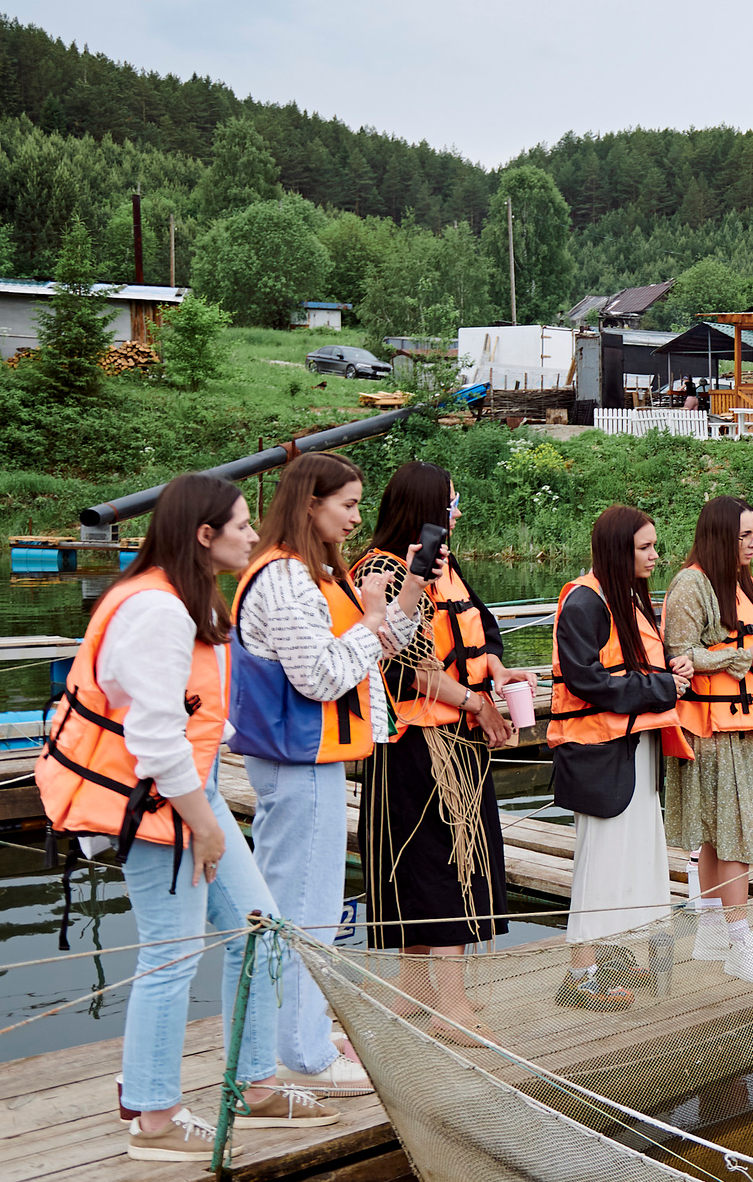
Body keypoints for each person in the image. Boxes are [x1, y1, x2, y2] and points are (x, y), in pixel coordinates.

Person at [35, 473, 333, 1162]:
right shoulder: (157, 611)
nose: (254, 536)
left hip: (185, 792)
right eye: (241, 525)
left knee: (261, 929)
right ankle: (154, 1115)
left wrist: (202, 807)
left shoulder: (185, 600)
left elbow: (188, 724)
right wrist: (202, 822)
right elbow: (155, 740)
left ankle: (253, 1088)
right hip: (155, 801)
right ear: (205, 535)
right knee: (170, 952)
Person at [230, 451, 423, 1094]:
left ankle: (301, 1034)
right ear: (310, 503)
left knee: (308, 907)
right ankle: (305, 1056)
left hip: (316, 762)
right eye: (347, 505)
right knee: (304, 913)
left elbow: (372, 647)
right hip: (296, 762)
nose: (357, 518)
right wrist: (370, 623)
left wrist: (403, 600)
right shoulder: (285, 578)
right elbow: (320, 676)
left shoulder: (314, 574)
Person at [355, 462, 521, 1038]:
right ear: (426, 508)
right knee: (434, 864)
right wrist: (476, 704)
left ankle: (415, 995)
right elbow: (402, 669)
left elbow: (482, 630)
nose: (457, 511)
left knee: (451, 860)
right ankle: (449, 1004)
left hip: (458, 742)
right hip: (416, 746)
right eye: (451, 502)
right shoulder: (386, 572)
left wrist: (494, 668)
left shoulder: (445, 567)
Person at [549, 505, 702, 1012]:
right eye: (645, 547)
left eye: (654, 546)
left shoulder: (624, 600)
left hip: (634, 750)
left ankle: (604, 960)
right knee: (599, 860)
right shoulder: (585, 602)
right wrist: (663, 684)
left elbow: (629, 667)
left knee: (628, 857)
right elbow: (586, 680)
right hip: (601, 753)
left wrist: (669, 670)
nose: (655, 556)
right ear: (619, 550)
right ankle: (580, 975)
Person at [663, 496, 753, 985]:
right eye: (744, 535)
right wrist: (742, 655)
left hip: (748, 725)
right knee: (733, 832)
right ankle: (742, 940)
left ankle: (713, 932)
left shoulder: (748, 586)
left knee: (727, 832)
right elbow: (681, 655)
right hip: (711, 731)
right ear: (720, 536)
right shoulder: (691, 584)